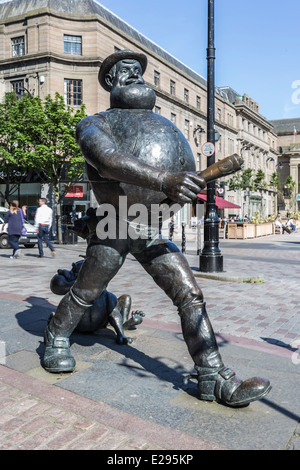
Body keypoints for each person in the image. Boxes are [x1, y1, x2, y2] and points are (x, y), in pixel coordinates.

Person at [43, 50, 271, 407]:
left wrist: (177, 185)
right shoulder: (93, 123)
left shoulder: (160, 121)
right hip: (114, 220)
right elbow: (107, 160)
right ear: (110, 82)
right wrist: (165, 180)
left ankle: (212, 374)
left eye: (138, 71)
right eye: (125, 72)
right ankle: (56, 336)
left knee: (189, 294)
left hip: (150, 224)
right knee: (87, 290)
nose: (135, 75)